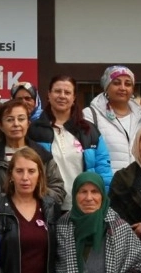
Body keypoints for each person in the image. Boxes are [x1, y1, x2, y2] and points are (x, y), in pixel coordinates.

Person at [30, 75, 112, 208]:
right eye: (57, 91)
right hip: (46, 206)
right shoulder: (34, 131)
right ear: (49, 95)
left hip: (83, 207)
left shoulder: (89, 131)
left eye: (67, 92)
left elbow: (103, 170)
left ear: (74, 98)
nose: (62, 96)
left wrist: (102, 203)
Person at [0, 97, 66, 208]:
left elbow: (58, 191)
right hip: (2, 216)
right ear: (1, 126)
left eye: (21, 119)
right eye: (10, 120)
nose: (16, 124)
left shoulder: (41, 154)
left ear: (28, 123)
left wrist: (32, 194)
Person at [84, 65, 141, 176]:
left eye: (128, 84)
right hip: (106, 186)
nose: (122, 88)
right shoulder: (91, 115)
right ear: (107, 86)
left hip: (136, 187)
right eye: (116, 83)